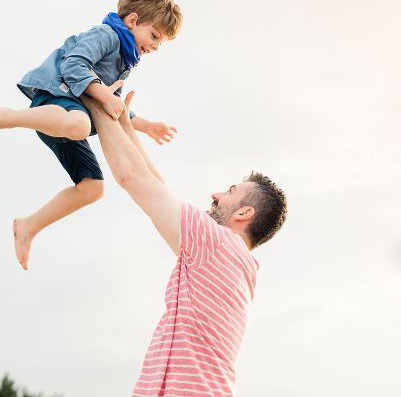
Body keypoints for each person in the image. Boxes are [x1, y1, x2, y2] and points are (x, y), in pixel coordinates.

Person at [80, 91, 287, 397]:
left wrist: (94, 102)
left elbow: (133, 178)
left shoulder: (218, 246)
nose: (216, 195)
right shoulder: (231, 260)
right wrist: (123, 124)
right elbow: (156, 187)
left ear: (245, 213)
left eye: (230, 191)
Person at [0, 0, 183, 270]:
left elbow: (113, 104)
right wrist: (104, 95)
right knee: (80, 124)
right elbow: (74, 64)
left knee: (93, 188)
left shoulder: (125, 62)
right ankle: (7, 117)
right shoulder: (106, 35)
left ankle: (28, 226)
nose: (154, 46)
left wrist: (145, 125)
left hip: (70, 119)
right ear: (132, 21)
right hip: (55, 99)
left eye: (160, 43)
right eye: (154, 36)